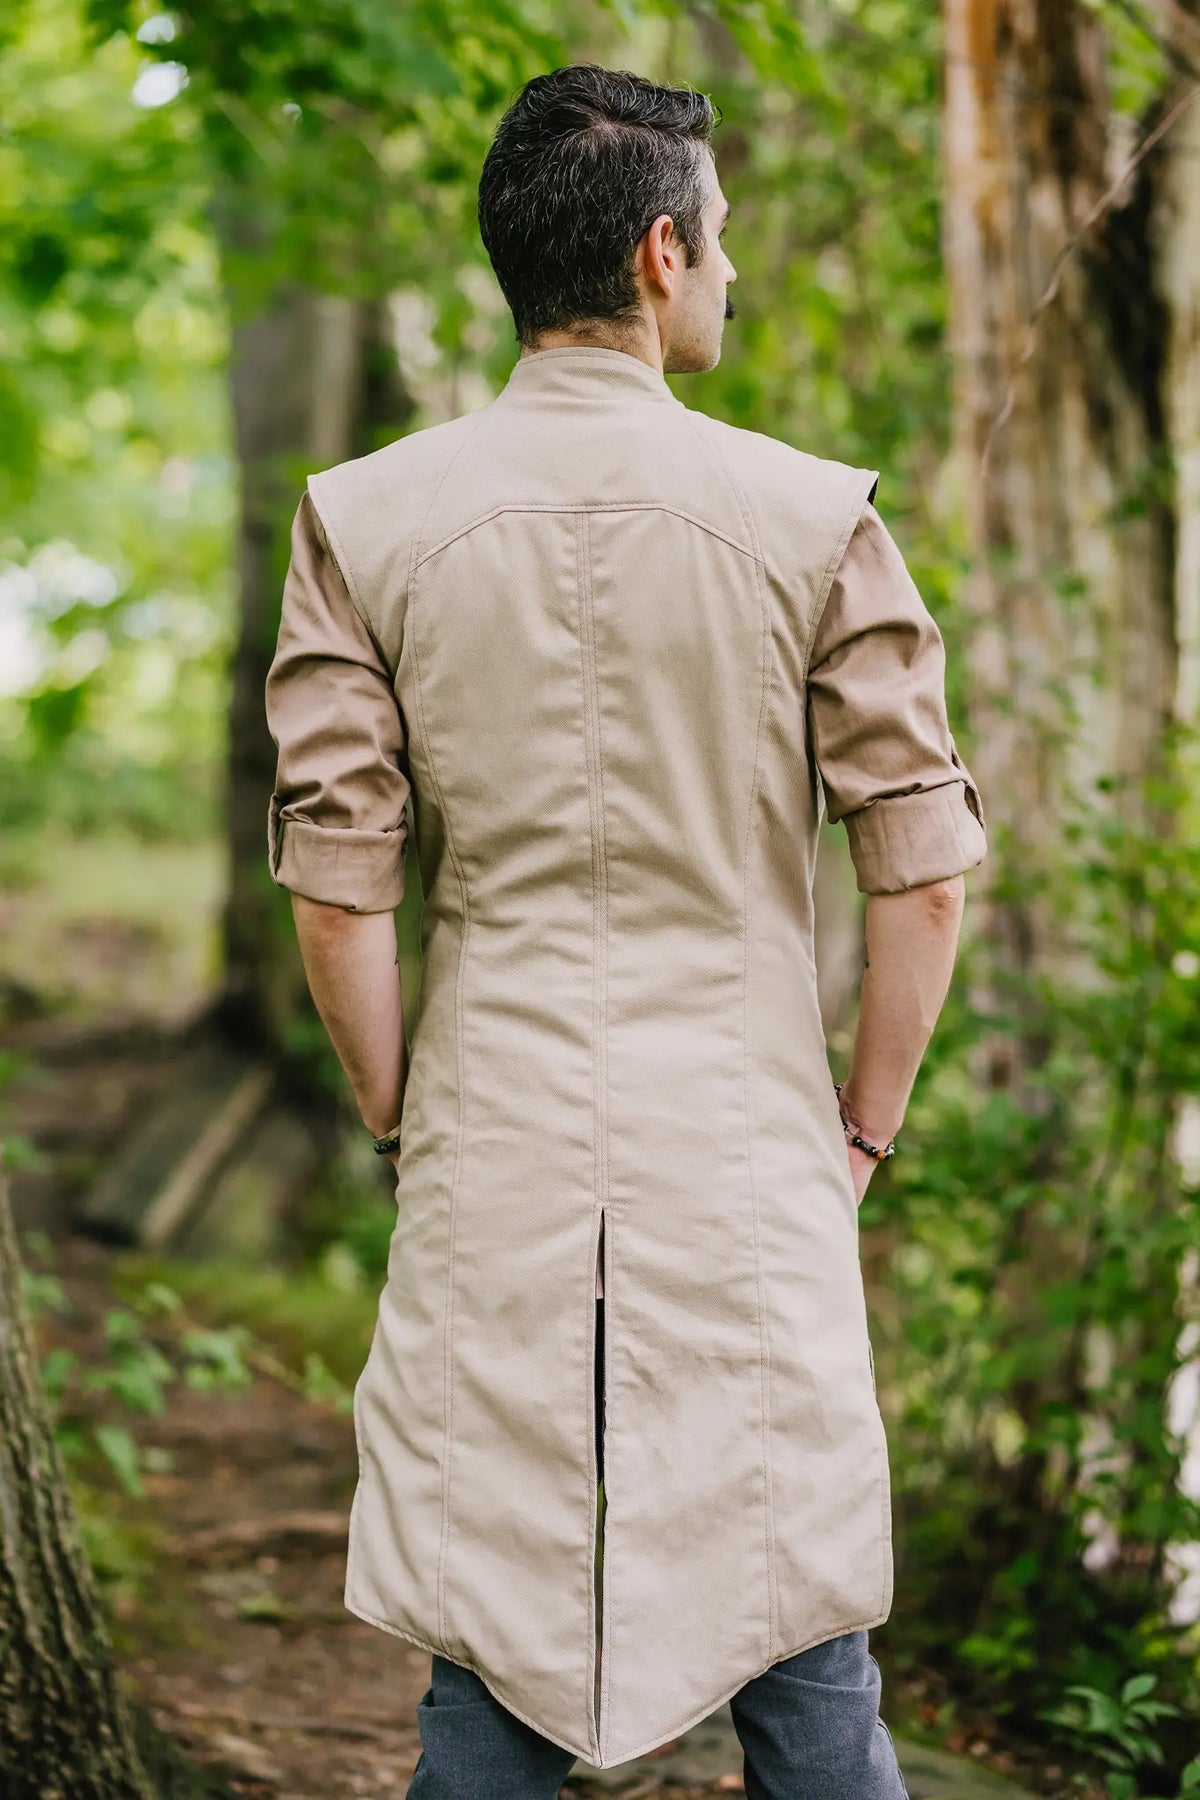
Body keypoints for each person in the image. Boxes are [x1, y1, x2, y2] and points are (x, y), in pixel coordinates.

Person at [264, 62, 986, 1800]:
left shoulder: (364, 519)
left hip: (494, 1145)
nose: (732, 268)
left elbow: (339, 886)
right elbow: (922, 871)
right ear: (663, 253)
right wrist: (862, 1132)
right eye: (721, 238)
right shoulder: (814, 515)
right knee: (805, 1649)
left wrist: (404, 1119)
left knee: (490, 1644)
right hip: (747, 1151)